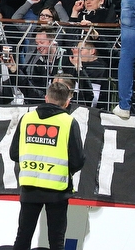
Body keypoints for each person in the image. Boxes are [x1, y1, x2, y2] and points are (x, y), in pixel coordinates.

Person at [9, 82, 85, 250]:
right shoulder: (68, 122)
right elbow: (78, 160)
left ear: (46, 98)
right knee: (56, 243)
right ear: (66, 103)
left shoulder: (27, 118)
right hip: (57, 189)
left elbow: (14, 153)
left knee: (22, 238)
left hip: (30, 186)